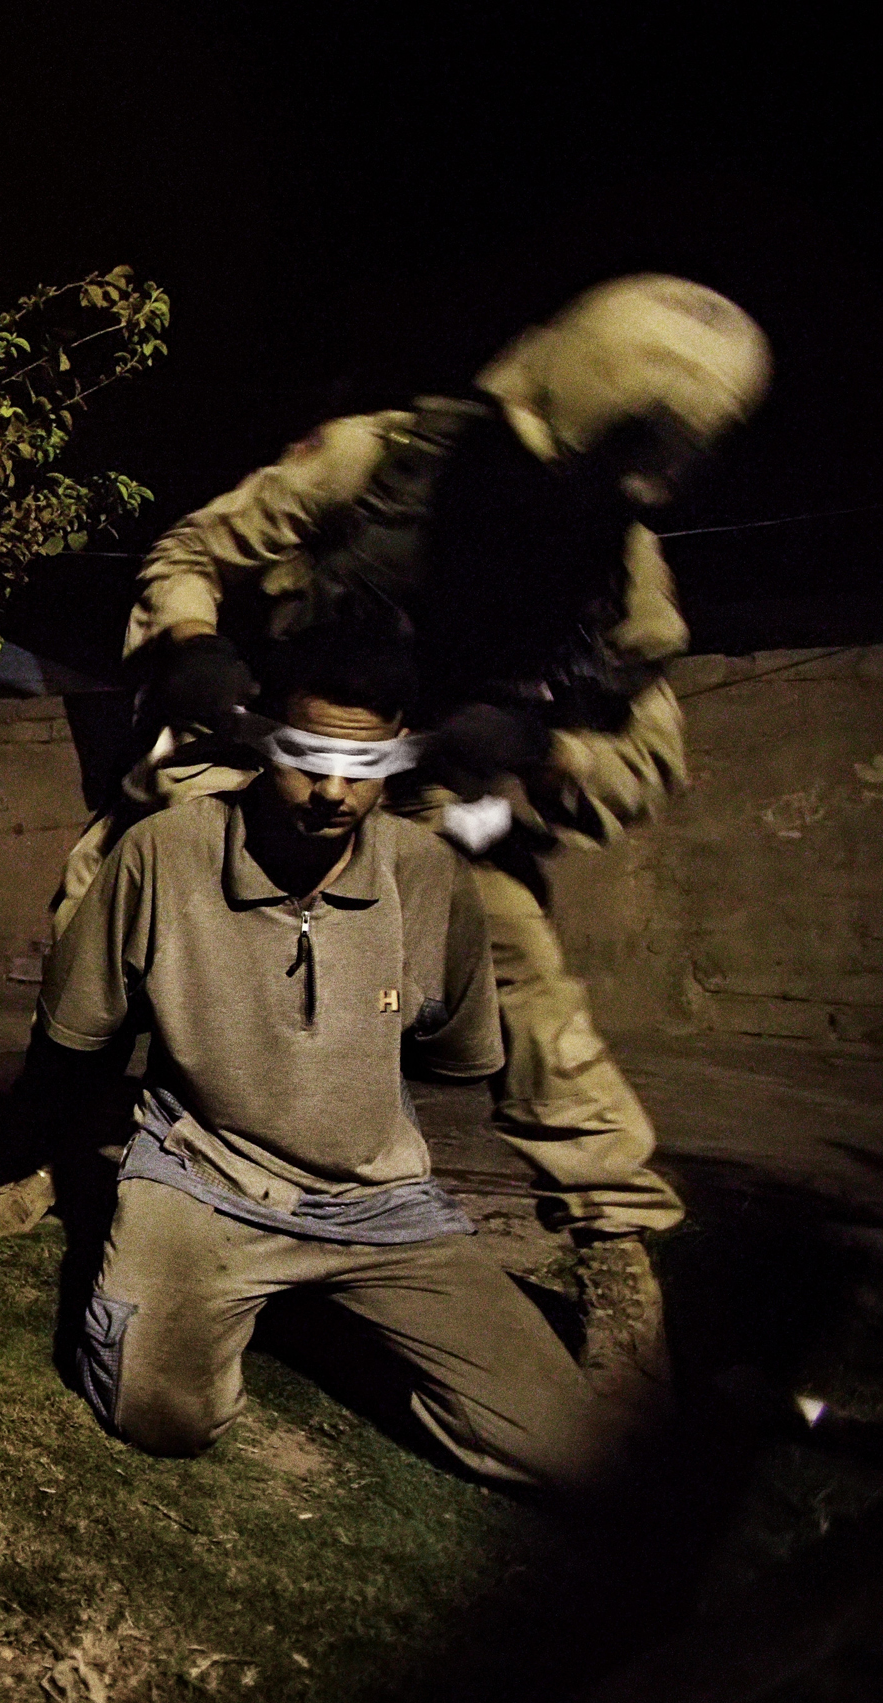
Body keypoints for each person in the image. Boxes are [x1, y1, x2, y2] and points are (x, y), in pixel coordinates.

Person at [55, 275, 771, 1388]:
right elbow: (190, 551)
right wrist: (192, 642)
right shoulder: (367, 461)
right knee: (115, 873)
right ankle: (58, 1142)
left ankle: (616, 1260)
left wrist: (541, 751)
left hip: (442, 800)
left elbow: (647, 755)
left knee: (523, 977)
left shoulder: (621, 570)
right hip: (276, 745)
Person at [44, 633, 613, 1495]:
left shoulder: (430, 876)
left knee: (574, 1450)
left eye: (365, 762)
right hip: (207, 1180)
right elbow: (75, 1038)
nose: (334, 792)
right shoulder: (164, 853)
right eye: (307, 758)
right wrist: (78, 1180)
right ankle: (247, 1300)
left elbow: (453, 1051)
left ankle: (319, 1312)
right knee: (159, 1413)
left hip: (379, 1205)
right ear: (265, 737)